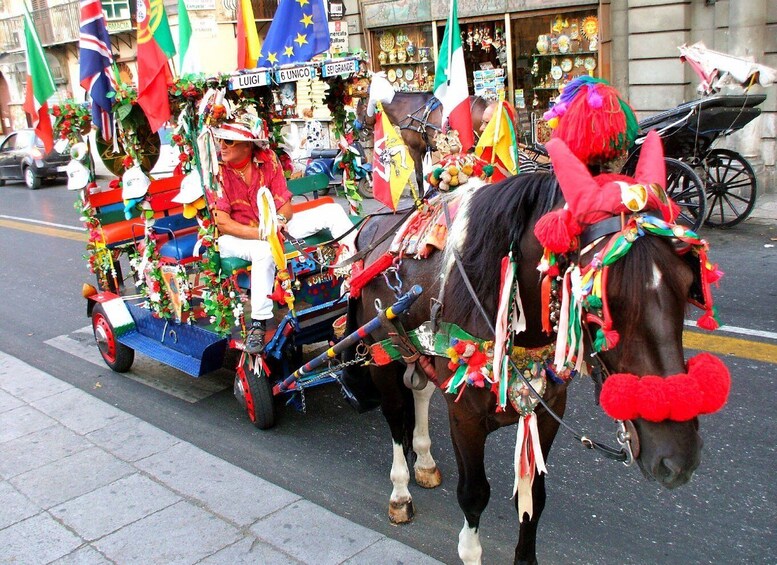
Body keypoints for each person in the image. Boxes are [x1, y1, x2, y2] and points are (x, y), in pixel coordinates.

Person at [213, 112, 356, 354]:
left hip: (271, 227)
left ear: (248, 145)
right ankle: (258, 323)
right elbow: (223, 223)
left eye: (229, 141)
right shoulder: (217, 170)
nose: (222, 146)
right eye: (222, 141)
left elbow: (285, 204)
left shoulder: (268, 160)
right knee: (264, 250)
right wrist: (261, 233)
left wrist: (279, 220)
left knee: (331, 210)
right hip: (235, 237)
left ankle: (355, 268)